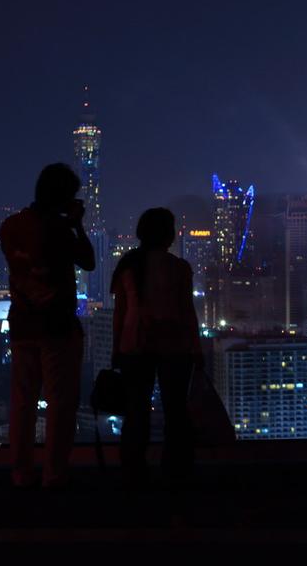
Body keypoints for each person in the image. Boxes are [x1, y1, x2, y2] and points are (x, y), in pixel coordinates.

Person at [0, 163, 95, 488]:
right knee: (60, 402)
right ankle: (54, 474)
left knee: (22, 402)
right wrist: (76, 226)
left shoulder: (9, 226)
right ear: (64, 197)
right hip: (56, 327)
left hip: (22, 324)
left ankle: (20, 472)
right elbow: (89, 261)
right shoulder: (57, 229)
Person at [111, 207, 202, 486]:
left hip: (134, 345)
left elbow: (121, 313)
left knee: (136, 411)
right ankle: (176, 472)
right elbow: (187, 312)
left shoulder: (128, 266)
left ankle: (133, 471)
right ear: (168, 234)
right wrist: (196, 349)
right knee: (176, 411)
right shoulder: (179, 268)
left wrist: (117, 349)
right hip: (174, 346)